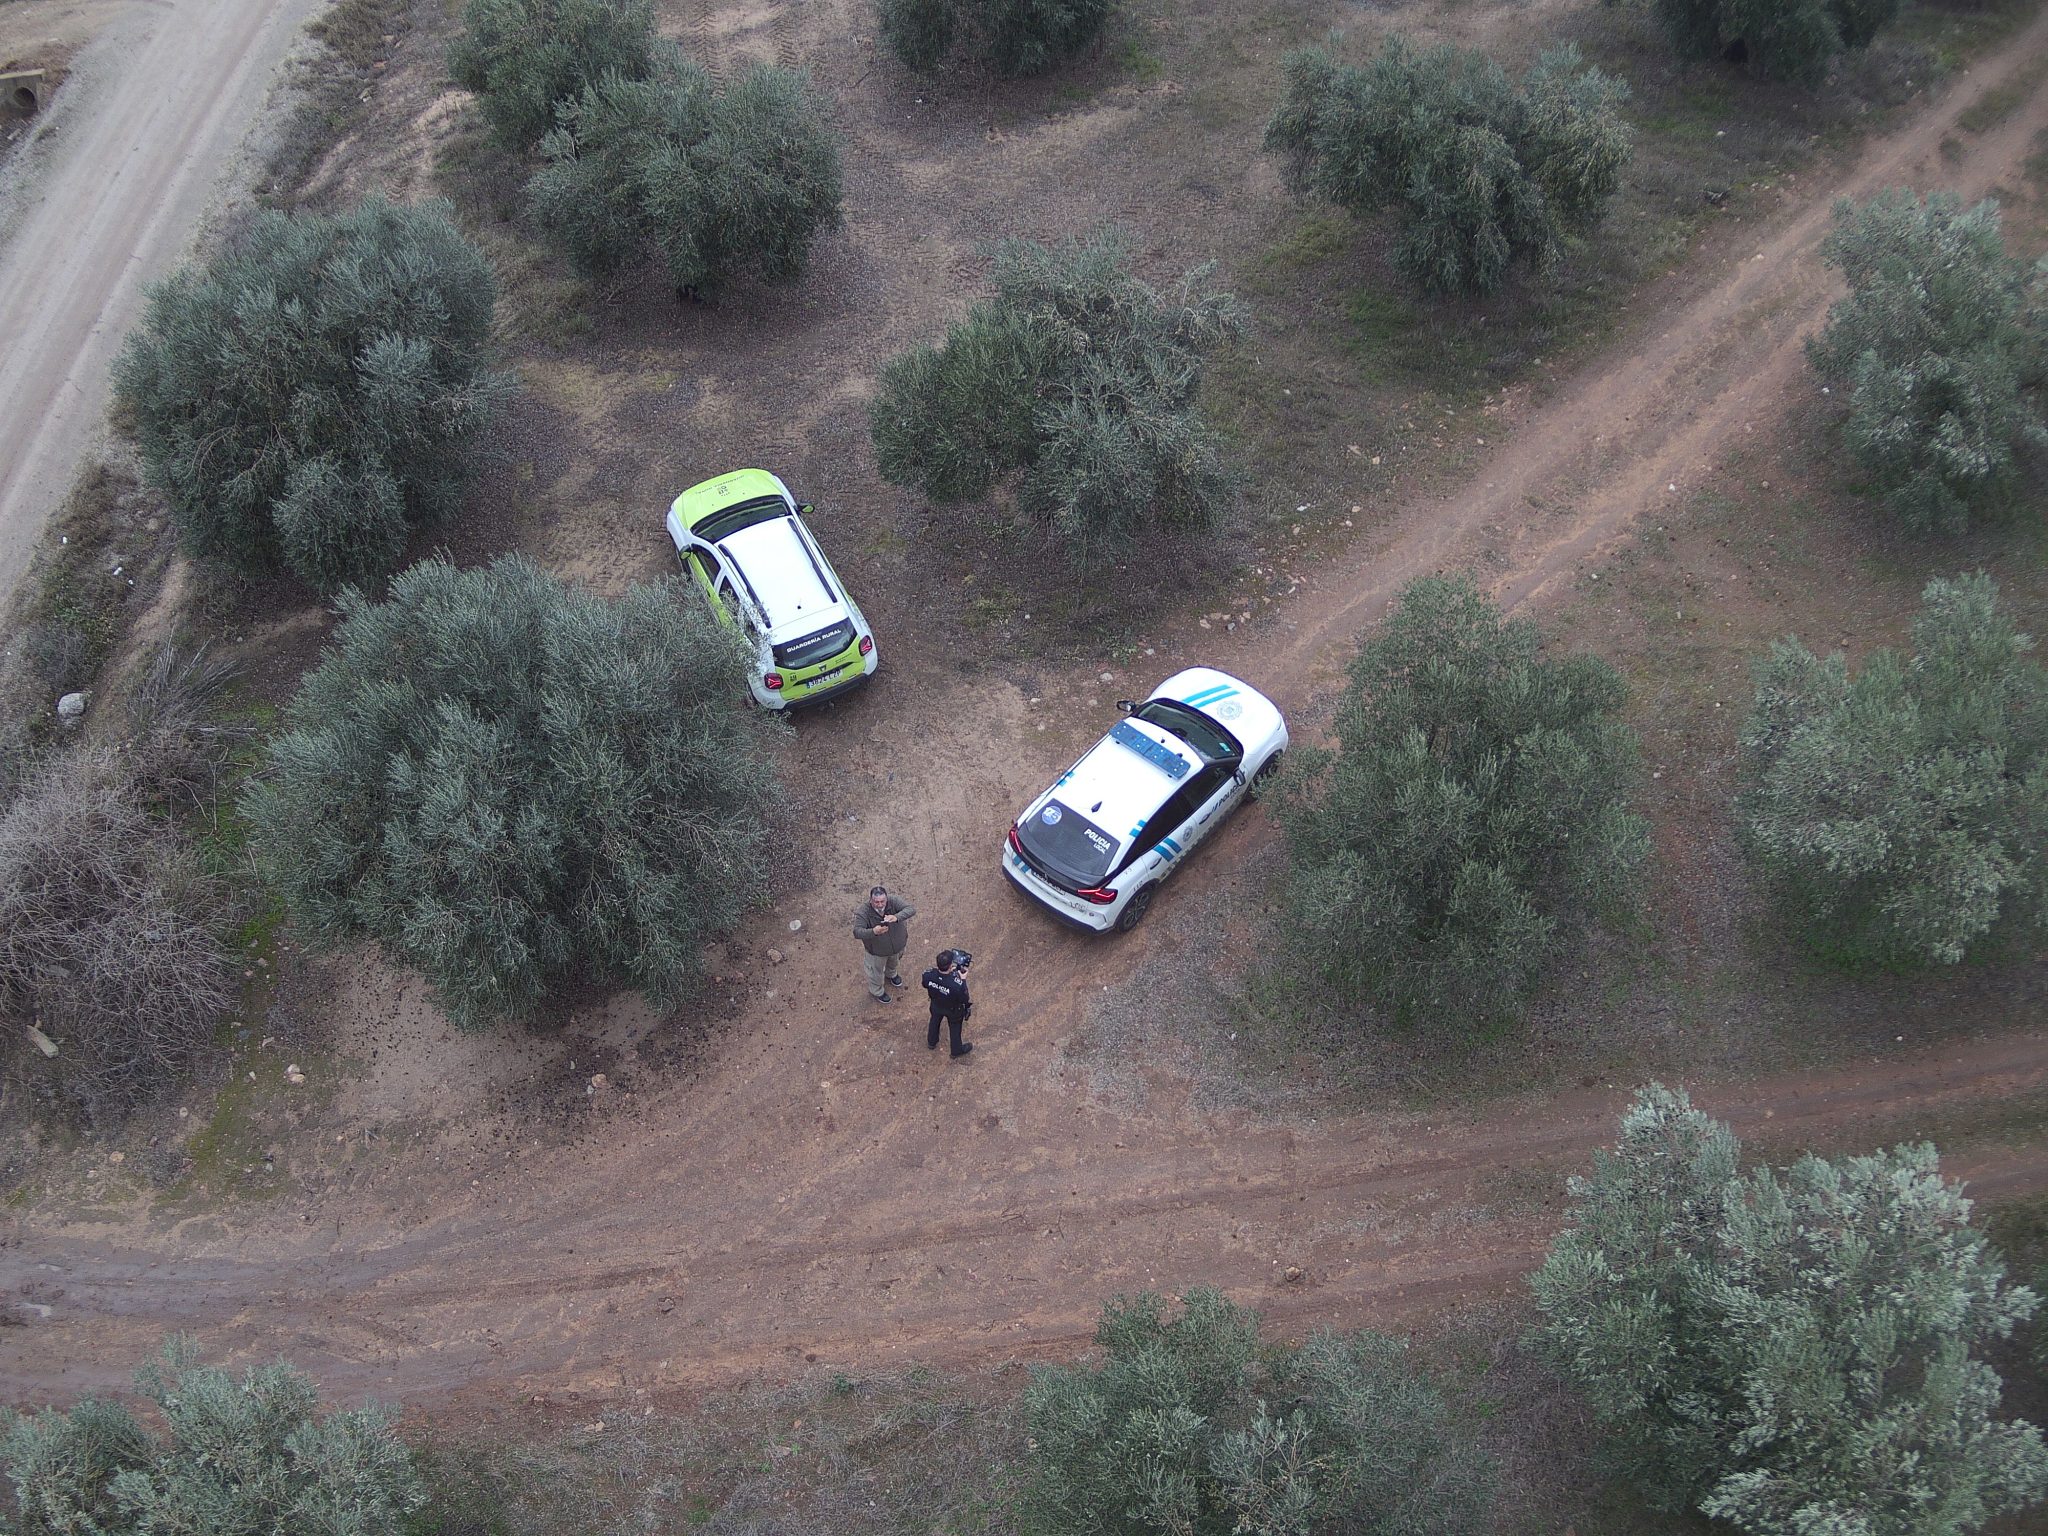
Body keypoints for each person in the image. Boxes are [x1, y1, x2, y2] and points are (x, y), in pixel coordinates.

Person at [852, 885, 915, 1002]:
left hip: (897, 947)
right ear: (871, 901)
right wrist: (873, 932)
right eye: (876, 902)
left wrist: (896, 917)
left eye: (882, 901)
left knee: (894, 962)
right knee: (876, 973)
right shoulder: (863, 911)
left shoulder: (893, 901)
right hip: (877, 953)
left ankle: (891, 974)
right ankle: (877, 991)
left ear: (886, 899)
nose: (880, 905)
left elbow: (911, 909)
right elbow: (857, 932)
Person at [921, 949, 973, 1059]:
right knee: (955, 1028)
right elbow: (964, 998)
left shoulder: (928, 975)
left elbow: (925, 984)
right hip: (953, 1010)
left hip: (936, 1005)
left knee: (934, 1021)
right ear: (950, 967)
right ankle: (956, 1050)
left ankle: (931, 1042)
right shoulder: (957, 985)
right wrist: (963, 980)